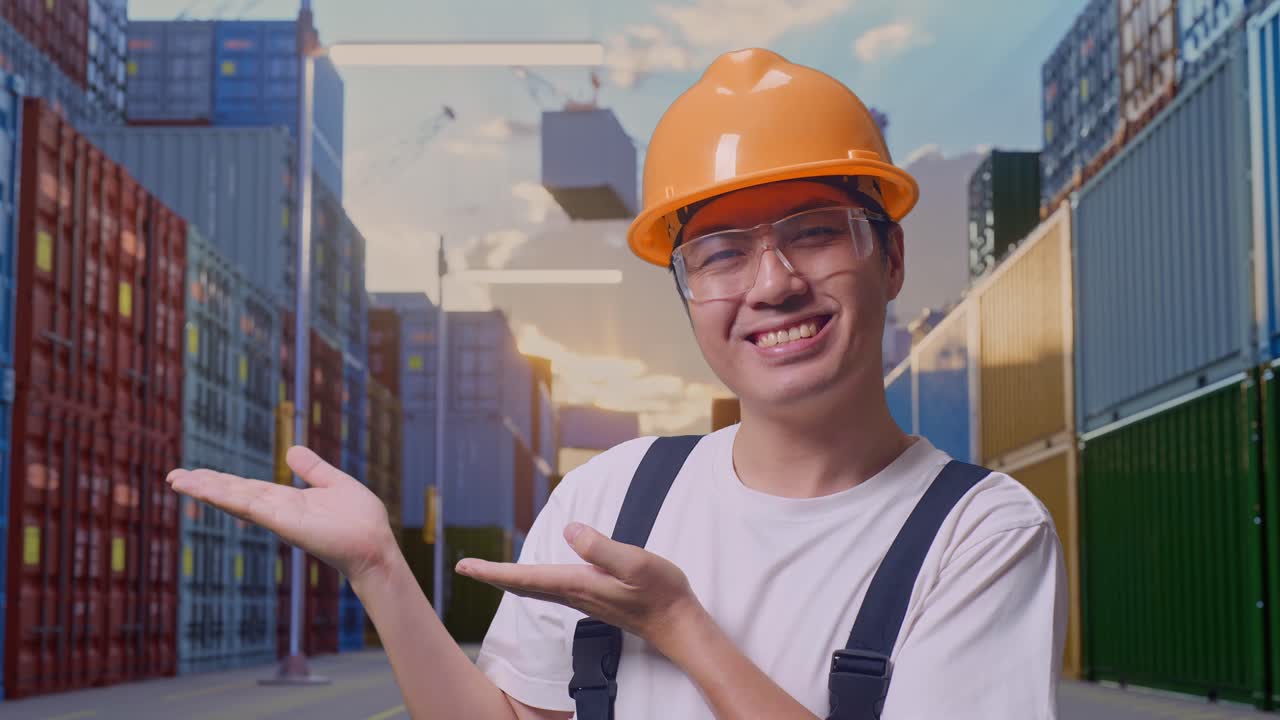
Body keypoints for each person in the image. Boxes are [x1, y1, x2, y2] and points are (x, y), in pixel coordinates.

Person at [166, 48, 1067, 719]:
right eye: (720, 253)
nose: (771, 283)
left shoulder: (980, 534)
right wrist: (379, 571)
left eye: (817, 230)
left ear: (892, 255)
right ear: (685, 292)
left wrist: (683, 629)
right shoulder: (611, 496)